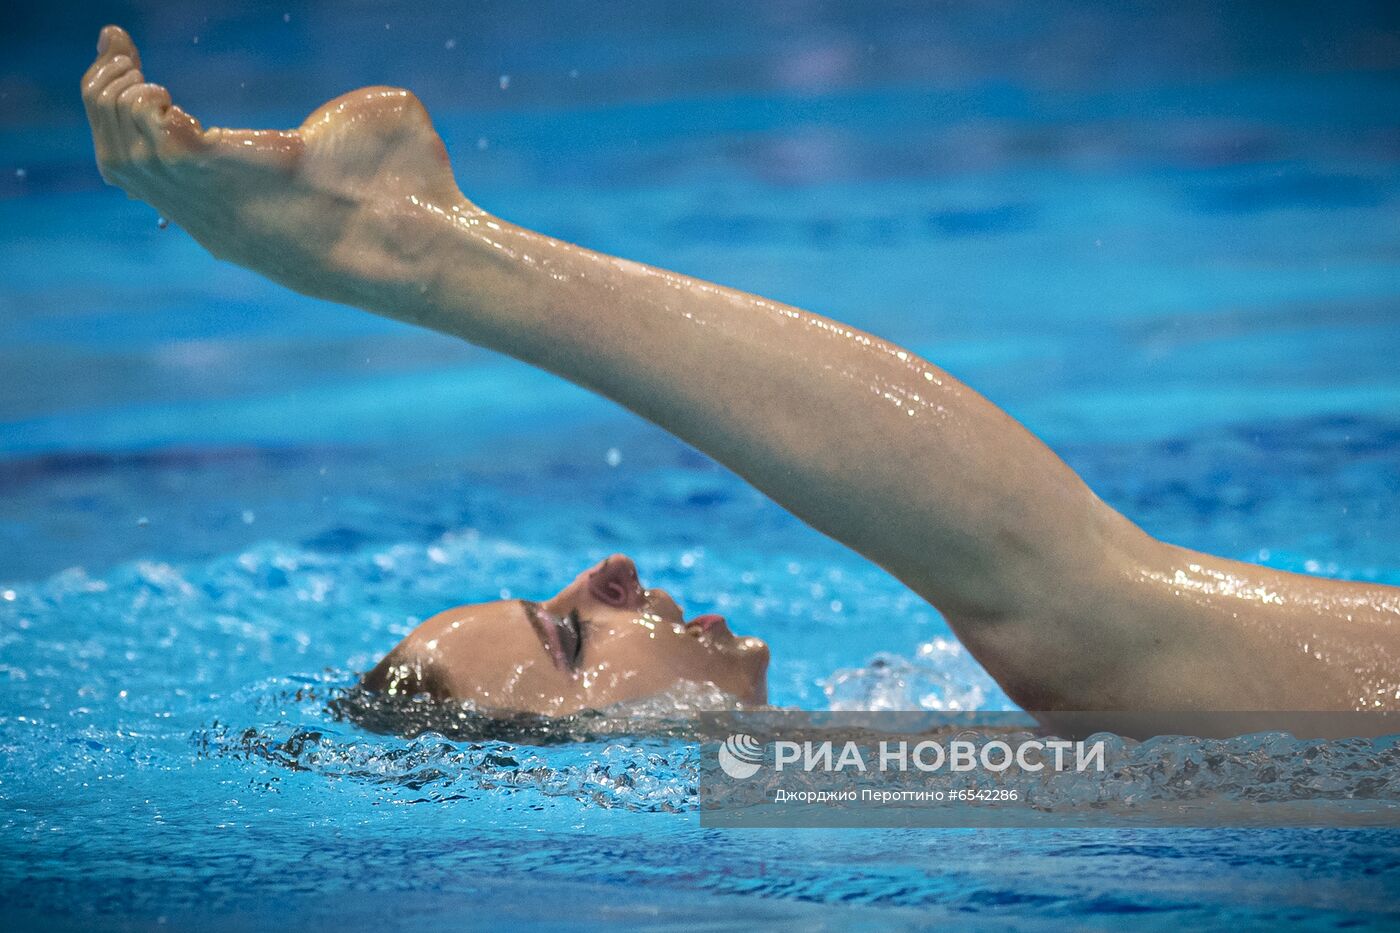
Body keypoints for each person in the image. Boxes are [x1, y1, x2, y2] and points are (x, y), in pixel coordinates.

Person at [81, 26, 1400, 719]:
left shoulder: (902, 768)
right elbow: (1060, 598)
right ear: (583, 775)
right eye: (567, 637)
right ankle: (418, 254)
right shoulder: (848, 811)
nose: (605, 573)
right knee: (1090, 615)